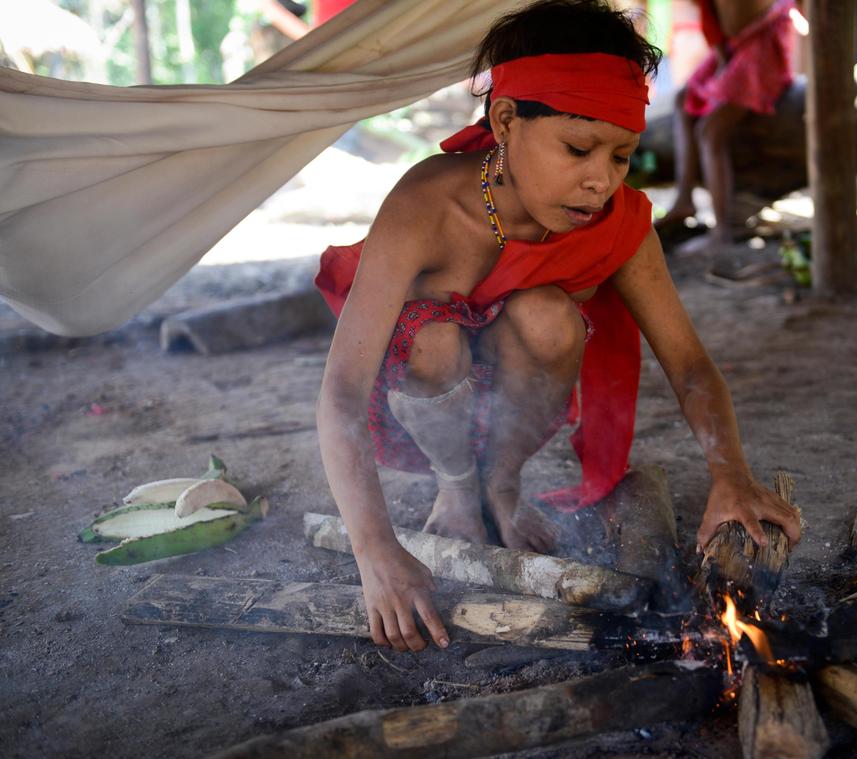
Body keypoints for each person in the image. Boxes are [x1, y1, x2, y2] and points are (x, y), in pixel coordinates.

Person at [314, 0, 801, 655]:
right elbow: (342, 390)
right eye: (578, 149)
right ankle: (458, 488)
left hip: (515, 388)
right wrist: (376, 550)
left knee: (549, 319)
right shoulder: (426, 206)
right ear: (506, 120)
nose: (600, 180)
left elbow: (688, 363)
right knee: (432, 339)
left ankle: (502, 484)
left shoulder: (619, 223)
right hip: (423, 389)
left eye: (623, 155)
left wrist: (731, 475)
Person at [655, 0, 796, 250]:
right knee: (682, 100)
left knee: (710, 131)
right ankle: (684, 198)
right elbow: (716, 23)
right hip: (731, 46)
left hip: (761, 41)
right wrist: (722, 60)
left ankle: (722, 231)